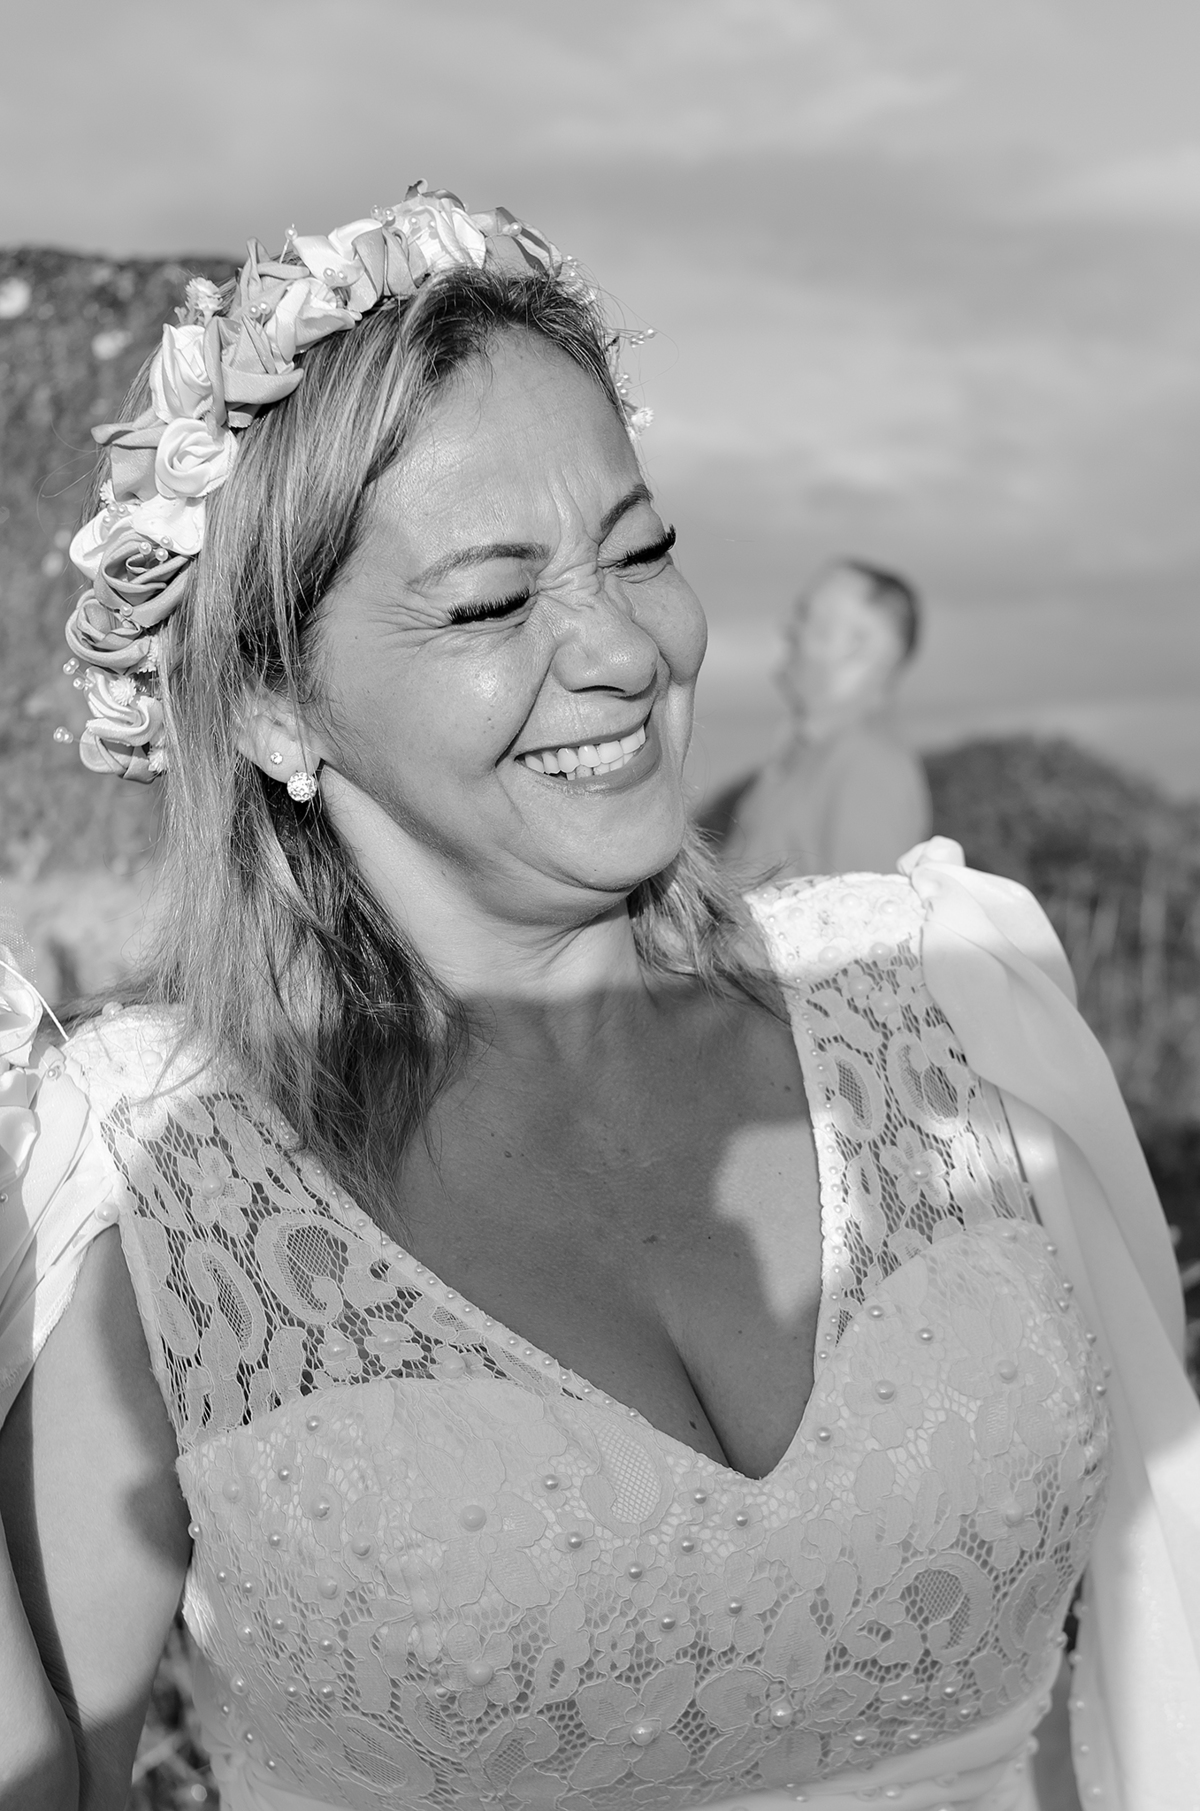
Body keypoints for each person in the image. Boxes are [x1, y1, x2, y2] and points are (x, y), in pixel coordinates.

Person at [0, 184, 1197, 1811]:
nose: (626, 649)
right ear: (276, 706)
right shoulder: (153, 1190)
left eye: (640, 551)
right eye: (492, 603)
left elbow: (1163, 1617)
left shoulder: (953, 994)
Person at [702, 561, 932, 878]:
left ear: (857, 645)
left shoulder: (867, 768)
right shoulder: (810, 755)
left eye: (805, 614)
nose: (787, 626)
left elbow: (864, 908)